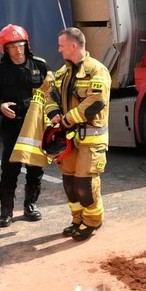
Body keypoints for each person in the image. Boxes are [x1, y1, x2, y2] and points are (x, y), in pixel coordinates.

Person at [45, 27, 111, 241]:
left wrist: (65, 120)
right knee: (70, 184)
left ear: (73, 46)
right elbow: (50, 96)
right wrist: (54, 112)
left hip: (91, 140)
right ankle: (78, 219)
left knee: (85, 184)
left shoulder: (97, 71)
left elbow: (95, 102)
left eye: (61, 45)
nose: (58, 50)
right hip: (69, 139)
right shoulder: (62, 73)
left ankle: (93, 221)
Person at [0, 24, 48, 227]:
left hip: (35, 125)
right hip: (12, 125)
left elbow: (51, 93)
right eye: (12, 46)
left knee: (35, 166)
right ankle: (6, 212)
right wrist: (0, 106)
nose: (17, 49)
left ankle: (30, 205)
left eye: (20, 45)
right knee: (10, 168)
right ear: (4, 48)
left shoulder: (39, 66)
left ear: (26, 45)